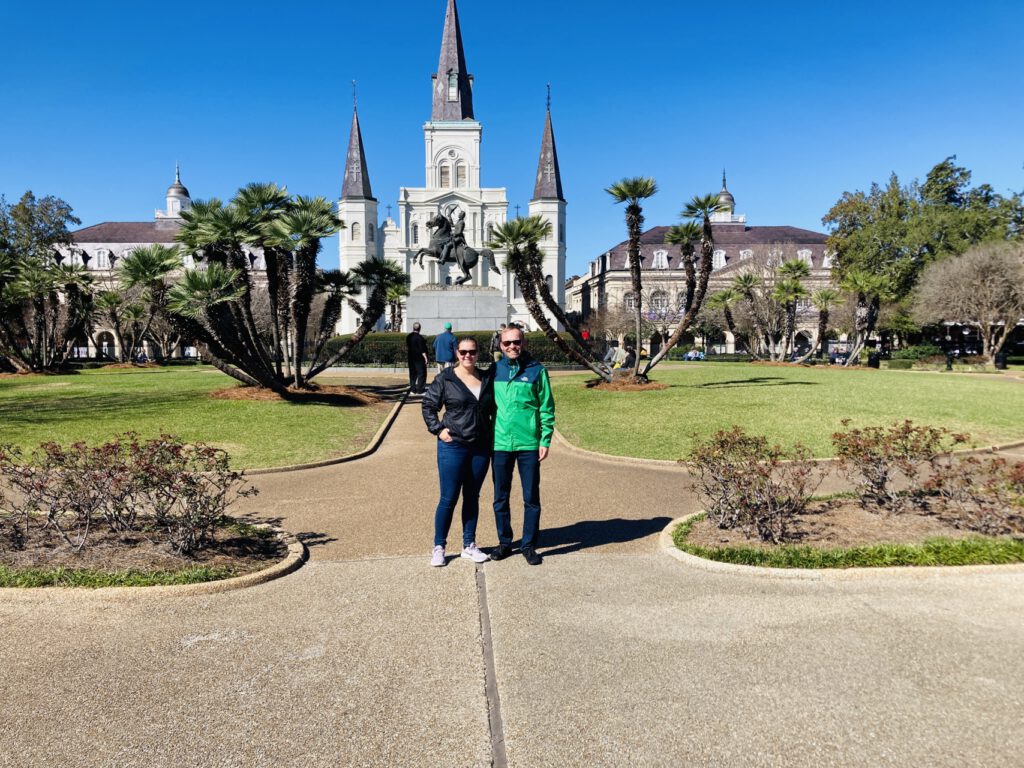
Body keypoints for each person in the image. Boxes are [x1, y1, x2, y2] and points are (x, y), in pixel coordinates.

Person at [421, 336, 494, 567]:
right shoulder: (446, 378)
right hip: (453, 446)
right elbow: (428, 405)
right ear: (456, 353)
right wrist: (438, 430)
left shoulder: (486, 378)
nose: (467, 356)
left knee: (472, 497)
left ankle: (469, 545)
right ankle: (439, 547)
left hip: (480, 446)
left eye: (472, 352)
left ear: (478, 353)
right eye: (463, 352)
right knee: (448, 498)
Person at [488, 325, 555, 566]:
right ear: (500, 346)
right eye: (507, 343)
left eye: (516, 342)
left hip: (528, 443)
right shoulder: (494, 370)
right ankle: (505, 542)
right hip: (500, 443)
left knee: (531, 497)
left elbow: (546, 406)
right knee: (500, 497)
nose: (512, 346)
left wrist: (545, 438)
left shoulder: (537, 371)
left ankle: (528, 544)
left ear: (523, 343)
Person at [406, 322, 429, 394]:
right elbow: (422, 349)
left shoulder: (408, 337)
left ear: (413, 328)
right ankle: (420, 390)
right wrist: (426, 358)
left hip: (411, 357)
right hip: (419, 358)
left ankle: (413, 389)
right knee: (421, 373)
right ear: (420, 328)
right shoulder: (420, 338)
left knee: (412, 374)